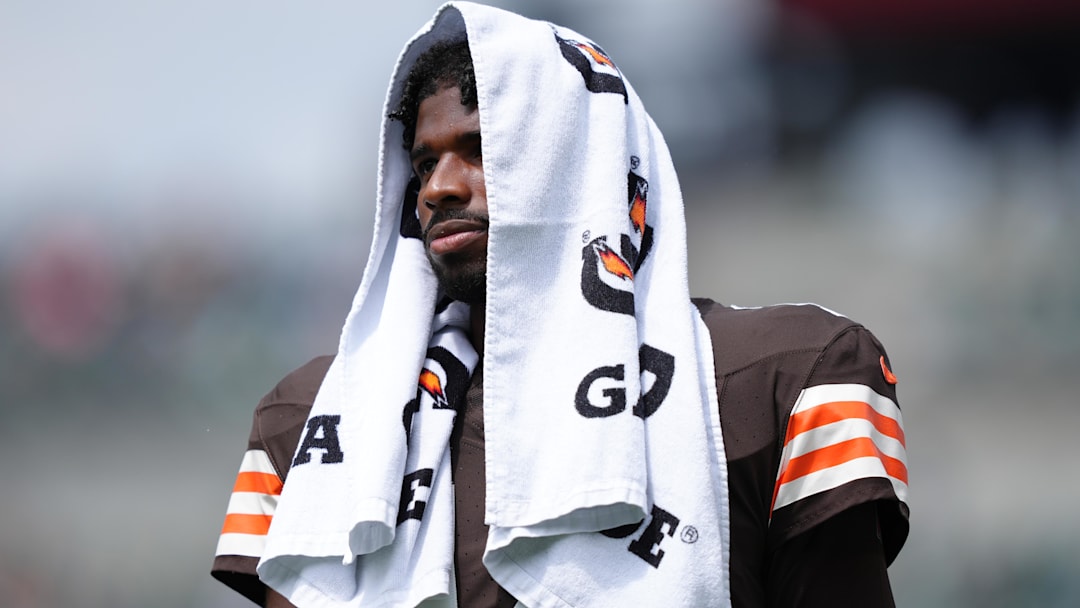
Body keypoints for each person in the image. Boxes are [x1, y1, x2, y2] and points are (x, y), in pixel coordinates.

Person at [211, 4, 909, 607]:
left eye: (481, 151)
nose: (439, 188)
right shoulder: (313, 422)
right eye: (424, 163)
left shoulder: (785, 380)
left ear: (581, 162)